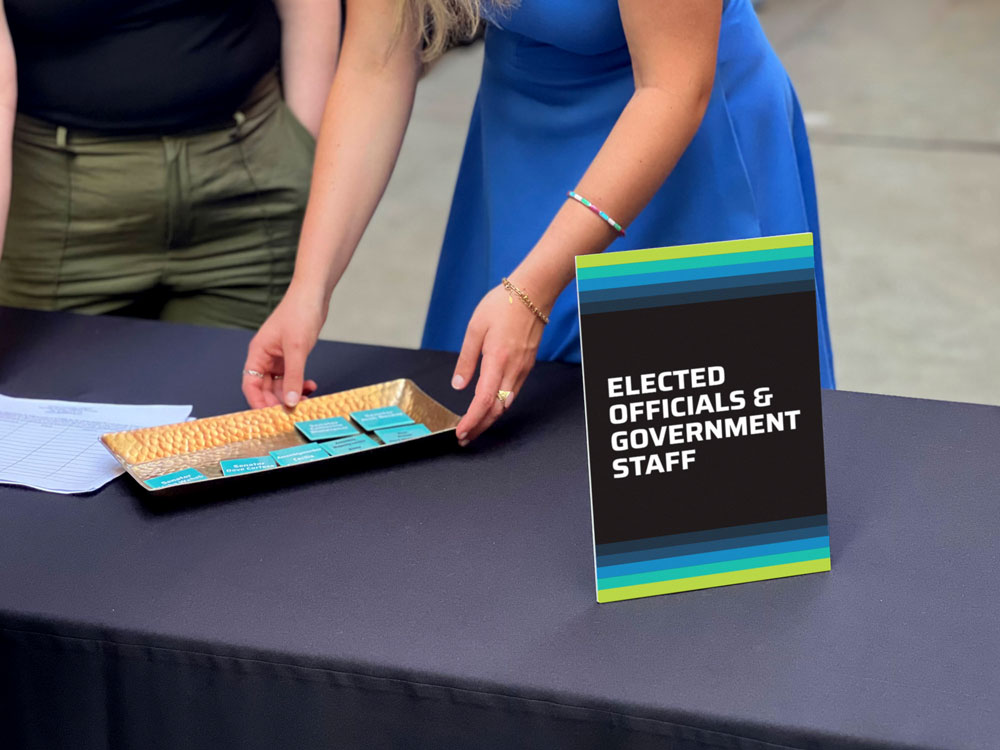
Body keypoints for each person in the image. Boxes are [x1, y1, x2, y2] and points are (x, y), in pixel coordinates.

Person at [242, 0, 836, 444]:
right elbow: (376, 60)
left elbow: (674, 88)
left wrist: (532, 290)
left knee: (691, 474)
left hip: (684, 145)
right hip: (525, 141)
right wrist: (309, 287)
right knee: (490, 461)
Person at [0, 0, 339, 329]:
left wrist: (307, 148)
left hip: (249, 175)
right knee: (47, 367)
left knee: (240, 368)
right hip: (58, 197)